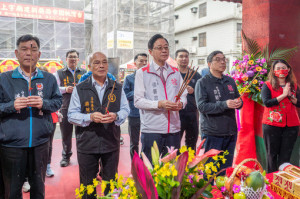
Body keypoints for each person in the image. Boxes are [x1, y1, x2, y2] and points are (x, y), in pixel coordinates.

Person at [0, 34, 62, 199]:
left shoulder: (48, 79)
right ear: (16, 53)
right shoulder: (4, 79)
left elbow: (57, 102)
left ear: (39, 55)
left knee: (38, 189)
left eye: (33, 49)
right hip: (11, 146)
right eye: (24, 49)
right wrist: (11, 106)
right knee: (11, 191)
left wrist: (44, 103)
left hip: (40, 144)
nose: (29, 53)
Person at [68, 52, 129, 198]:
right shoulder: (80, 88)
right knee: (87, 186)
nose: (101, 65)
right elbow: (71, 115)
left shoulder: (117, 87)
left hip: (111, 141)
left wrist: (116, 116)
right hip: (87, 143)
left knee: (111, 183)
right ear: (89, 66)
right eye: (96, 62)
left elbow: (125, 109)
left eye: (104, 62)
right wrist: (90, 117)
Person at [134, 34, 187, 162]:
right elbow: (138, 101)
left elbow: (184, 94)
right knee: (151, 169)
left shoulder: (175, 71)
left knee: (172, 170)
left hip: (173, 129)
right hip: (152, 130)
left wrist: (181, 104)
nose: (164, 50)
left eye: (166, 47)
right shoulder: (143, 72)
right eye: (159, 48)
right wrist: (159, 104)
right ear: (150, 52)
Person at [195, 50, 242, 171]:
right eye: (218, 59)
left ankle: (223, 190)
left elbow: (237, 98)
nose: (222, 62)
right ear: (209, 64)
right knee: (210, 170)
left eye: (224, 59)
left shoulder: (230, 81)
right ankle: (209, 190)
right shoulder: (203, 83)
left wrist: (239, 103)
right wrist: (224, 104)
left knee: (226, 169)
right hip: (212, 132)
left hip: (230, 131)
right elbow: (202, 106)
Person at [261, 60, 300, 173]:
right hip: (272, 124)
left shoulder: (294, 86)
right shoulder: (267, 85)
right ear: (273, 71)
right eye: (277, 68)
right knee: (271, 155)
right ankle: (271, 180)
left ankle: (283, 181)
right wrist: (283, 95)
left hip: (291, 125)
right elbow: (267, 102)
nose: (280, 70)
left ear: (288, 69)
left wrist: (294, 100)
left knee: (285, 156)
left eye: (283, 67)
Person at [54, 50, 86, 167]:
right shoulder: (59, 73)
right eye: (70, 57)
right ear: (66, 59)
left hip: (81, 108)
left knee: (82, 134)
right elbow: (54, 89)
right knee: (66, 134)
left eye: (75, 57)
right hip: (65, 107)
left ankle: (83, 156)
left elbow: (89, 87)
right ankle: (66, 156)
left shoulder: (84, 72)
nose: (73, 59)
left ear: (78, 59)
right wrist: (65, 89)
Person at [175, 49, 201, 151]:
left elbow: (203, 93)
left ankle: (190, 166)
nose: (184, 59)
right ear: (176, 59)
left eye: (186, 56)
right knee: (175, 144)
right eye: (181, 56)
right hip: (176, 114)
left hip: (192, 114)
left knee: (191, 143)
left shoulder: (195, 75)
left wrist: (193, 91)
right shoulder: (172, 74)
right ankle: (175, 166)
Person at [123, 53, 147, 159]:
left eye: (146, 61)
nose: (144, 63)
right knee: (134, 142)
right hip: (134, 113)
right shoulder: (129, 79)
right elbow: (124, 95)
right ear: (135, 63)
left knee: (147, 140)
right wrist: (137, 92)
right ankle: (135, 163)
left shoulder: (150, 78)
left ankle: (145, 163)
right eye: (141, 61)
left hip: (149, 114)